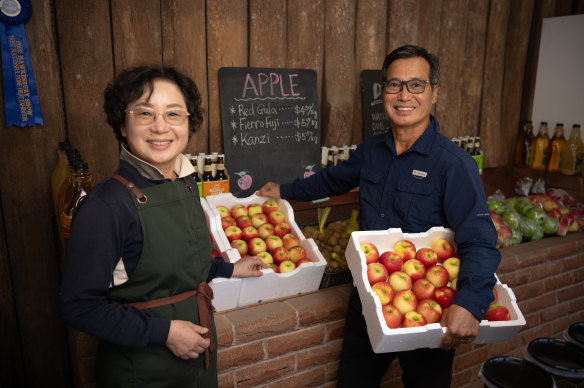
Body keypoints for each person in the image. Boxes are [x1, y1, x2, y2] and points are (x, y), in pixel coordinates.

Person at [258, 45, 500, 387]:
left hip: (429, 304)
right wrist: (284, 191)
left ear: (434, 94)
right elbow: (333, 179)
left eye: (416, 85)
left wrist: (470, 304)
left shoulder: (453, 164)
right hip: (369, 301)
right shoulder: (372, 150)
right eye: (394, 85)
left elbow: (480, 239)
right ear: (383, 92)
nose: (404, 95)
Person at [60, 65, 266, 388]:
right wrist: (164, 332)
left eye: (173, 114)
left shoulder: (183, 184)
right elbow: (78, 306)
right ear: (122, 125)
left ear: (188, 123)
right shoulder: (105, 207)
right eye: (145, 113)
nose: (160, 127)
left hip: (198, 367)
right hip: (141, 373)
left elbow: (176, 264)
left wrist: (228, 270)